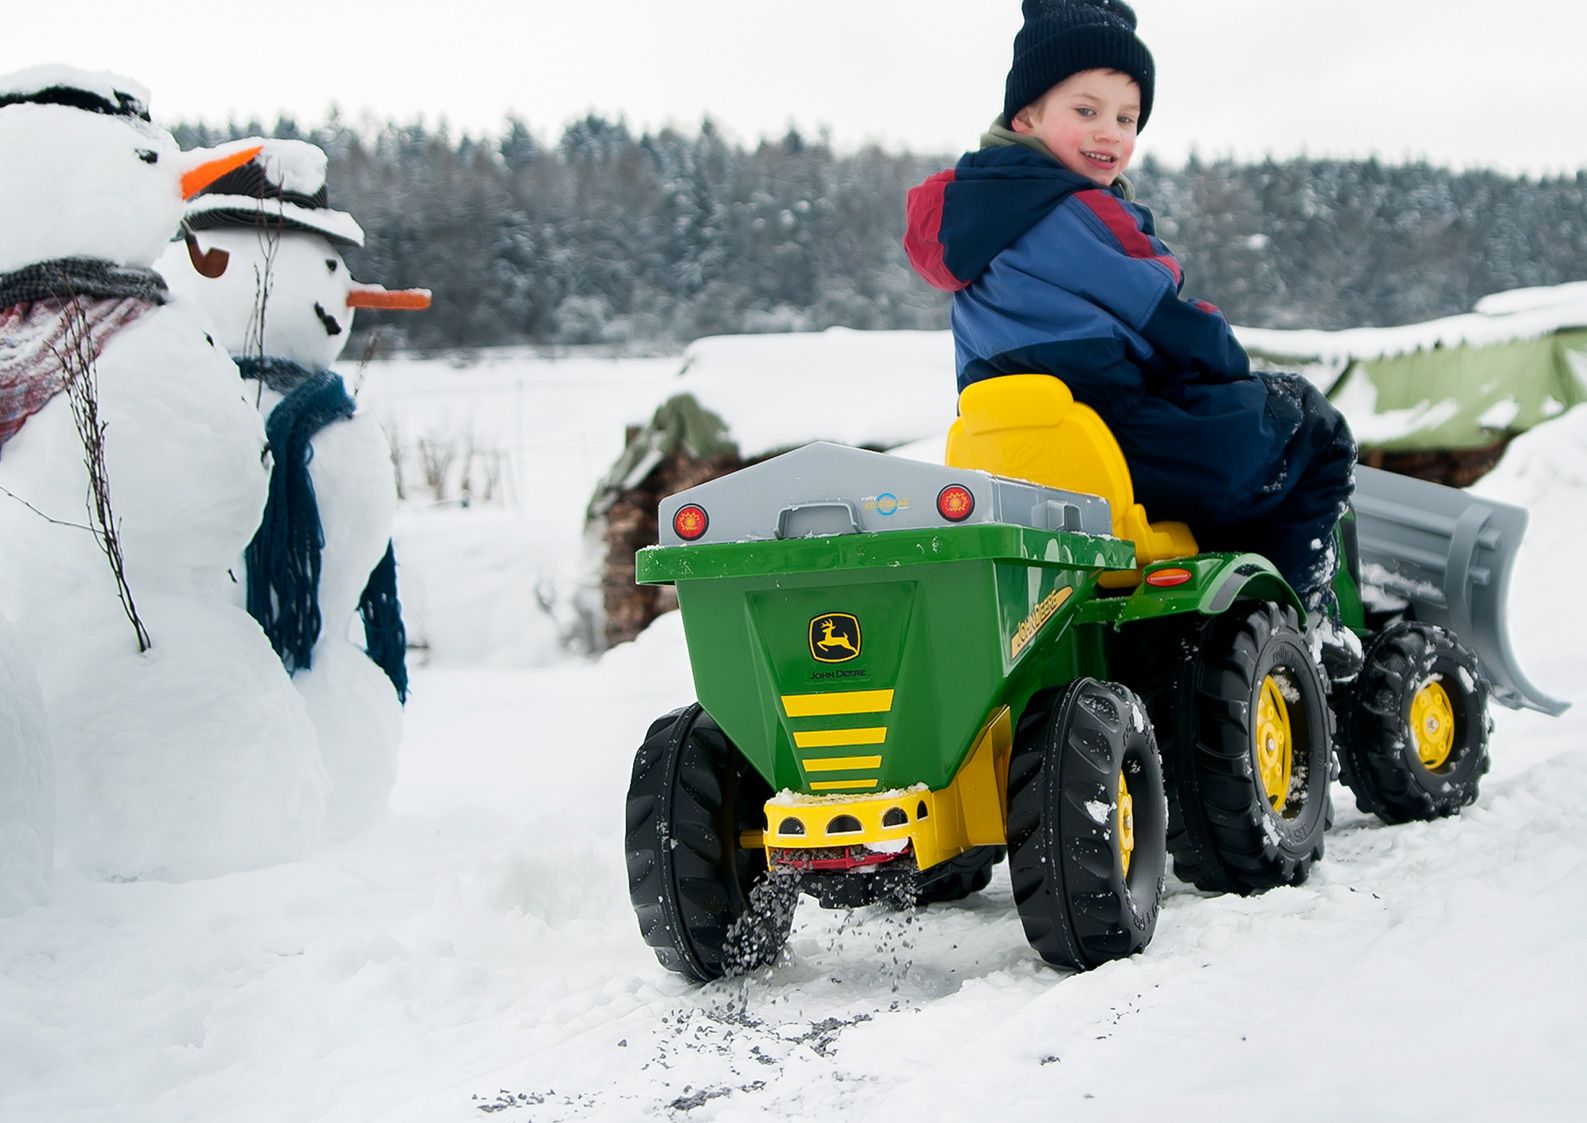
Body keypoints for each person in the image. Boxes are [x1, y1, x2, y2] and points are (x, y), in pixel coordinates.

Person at [904, 0, 1357, 633]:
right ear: (1026, 114)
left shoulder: (970, 226)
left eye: (1127, 117)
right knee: (1309, 425)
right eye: (1086, 111)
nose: (1110, 133)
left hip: (1015, 469)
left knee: (1231, 436)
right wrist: (1235, 372)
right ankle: (1303, 622)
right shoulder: (1085, 213)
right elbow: (1180, 327)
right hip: (1123, 444)